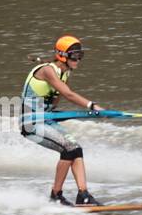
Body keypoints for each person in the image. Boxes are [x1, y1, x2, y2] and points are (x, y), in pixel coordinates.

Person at [20, 35, 106, 205]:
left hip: (46, 119)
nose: (78, 60)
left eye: (80, 56)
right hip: (30, 123)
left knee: (76, 149)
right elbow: (69, 94)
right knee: (68, 150)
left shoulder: (64, 74)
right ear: (62, 55)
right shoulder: (47, 70)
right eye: (75, 56)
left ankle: (83, 195)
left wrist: (57, 108)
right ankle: (56, 195)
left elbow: (54, 101)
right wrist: (93, 107)